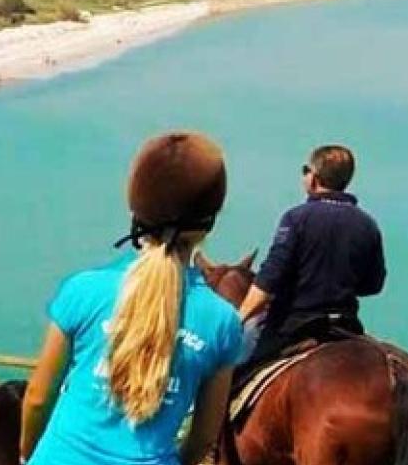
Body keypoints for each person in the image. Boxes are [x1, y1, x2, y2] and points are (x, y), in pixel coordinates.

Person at [20, 132, 243, 465]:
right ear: (208, 223)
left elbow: (38, 398)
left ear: (136, 211)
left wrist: (27, 455)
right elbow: (203, 439)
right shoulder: (223, 322)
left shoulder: (83, 290)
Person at [235, 145, 385, 373]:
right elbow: (373, 285)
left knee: (233, 371)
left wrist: (239, 317)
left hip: (293, 325)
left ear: (313, 177)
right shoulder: (368, 224)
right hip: (345, 325)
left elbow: (271, 276)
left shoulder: (296, 218)